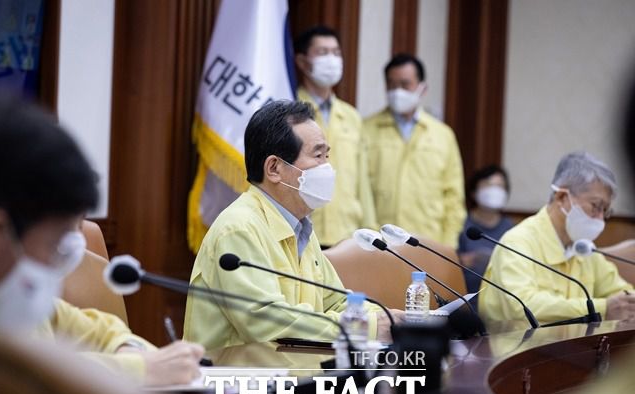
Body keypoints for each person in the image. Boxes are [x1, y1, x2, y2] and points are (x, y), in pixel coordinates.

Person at [0, 98, 203, 387]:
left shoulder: (10, 298)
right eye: (55, 245)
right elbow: (27, 373)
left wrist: (128, 349)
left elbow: (100, 331)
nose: (61, 266)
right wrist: (139, 369)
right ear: (0, 229)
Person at [183, 100, 403, 350]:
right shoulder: (239, 229)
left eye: (327, 156)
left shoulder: (301, 228)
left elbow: (336, 303)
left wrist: (390, 318)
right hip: (240, 375)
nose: (327, 168)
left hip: (294, 371)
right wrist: (364, 327)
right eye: (317, 156)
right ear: (274, 168)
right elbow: (266, 321)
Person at [479, 151, 635, 324]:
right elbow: (522, 306)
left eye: (605, 211)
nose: (600, 219)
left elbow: (620, 292)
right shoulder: (518, 242)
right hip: (514, 341)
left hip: (571, 341)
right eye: (596, 206)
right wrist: (603, 308)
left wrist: (628, 303)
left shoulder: (583, 248)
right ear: (561, 197)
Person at [363, 53, 466, 249]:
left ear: (422, 88)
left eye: (405, 84)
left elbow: (453, 197)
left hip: (429, 243)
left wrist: (447, 245)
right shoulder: (366, 130)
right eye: (391, 84)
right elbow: (361, 190)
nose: (397, 91)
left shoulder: (443, 135)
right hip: (381, 243)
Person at [293, 25, 376, 247]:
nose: (332, 59)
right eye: (322, 52)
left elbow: (362, 182)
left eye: (336, 52)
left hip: (348, 235)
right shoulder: (288, 110)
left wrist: (371, 229)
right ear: (302, 62)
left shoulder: (351, 116)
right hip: (301, 233)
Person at [458, 165, 514, 295]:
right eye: (488, 185)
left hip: (499, 297)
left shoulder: (510, 228)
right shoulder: (460, 223)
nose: (494, 191)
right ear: (474, 192)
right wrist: (465, 260)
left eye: (500, 186)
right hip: (464, 296)